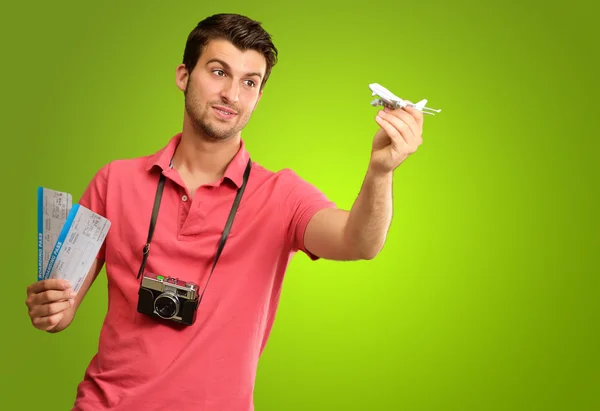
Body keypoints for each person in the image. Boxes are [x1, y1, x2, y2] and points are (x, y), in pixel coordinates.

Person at [25, 13, 424, 411]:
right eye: (219, 72)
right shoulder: (114, 181)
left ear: (258, 96)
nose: (231, 94)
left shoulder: (282, 195)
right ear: (184, 75)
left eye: (249, 82)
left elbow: (359, 242)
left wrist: (380, 171)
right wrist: (51, 309)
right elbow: (59, 312)